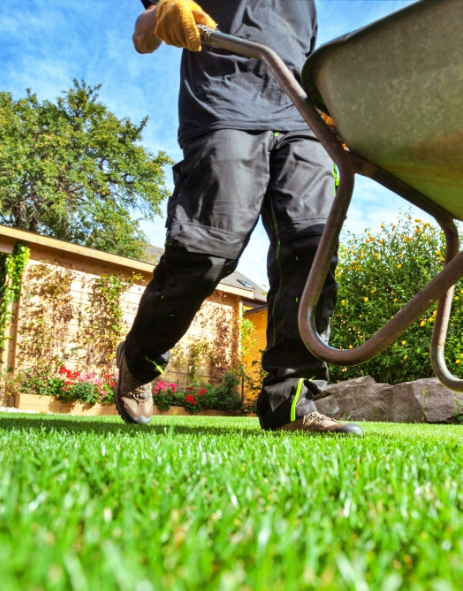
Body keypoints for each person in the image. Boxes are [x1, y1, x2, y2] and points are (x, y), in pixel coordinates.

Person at [115, 0, 362, 435]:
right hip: (224, 106)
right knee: (207, 249)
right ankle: (139, 358)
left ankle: (291, 403)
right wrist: (162, 15)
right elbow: (141, 34)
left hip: (303, 120)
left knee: (313, 250)